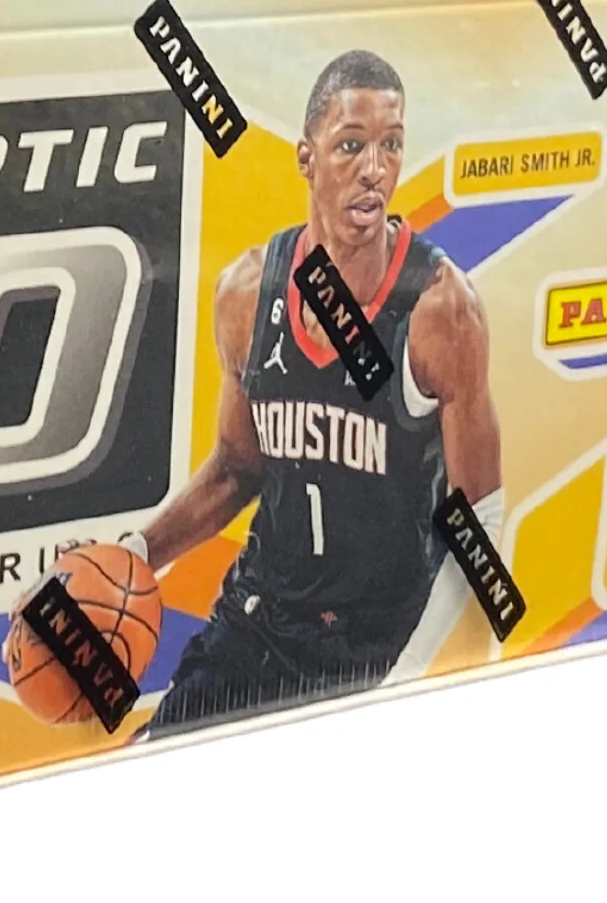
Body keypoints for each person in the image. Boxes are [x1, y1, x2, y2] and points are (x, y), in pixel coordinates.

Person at [127, 49, 502, 736]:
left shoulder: (440, 308)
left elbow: (481, 518)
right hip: (260, 620)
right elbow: (237, 468)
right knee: (149, 772)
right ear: (307, 157)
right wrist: (134, 554)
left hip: (375, 647)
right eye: (351, 145)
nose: (375, 169)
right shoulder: (246, 293)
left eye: (391, 146)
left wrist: (414, 674)